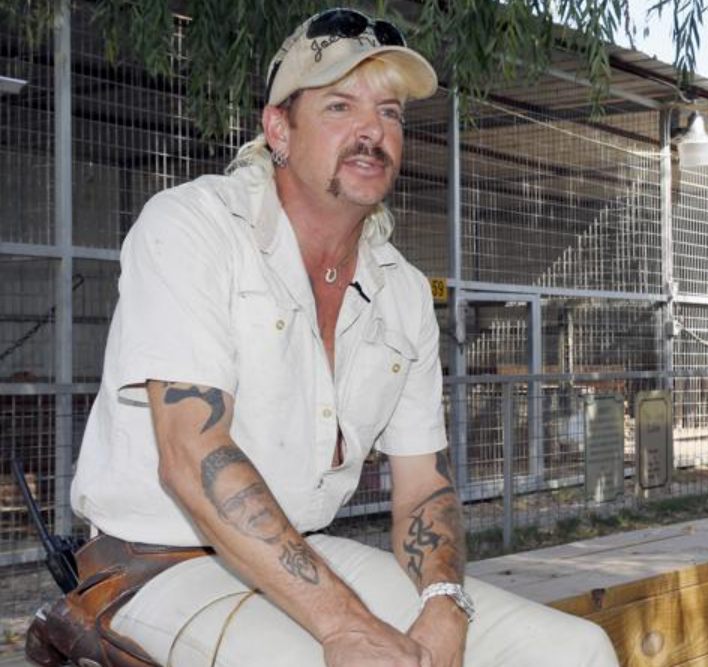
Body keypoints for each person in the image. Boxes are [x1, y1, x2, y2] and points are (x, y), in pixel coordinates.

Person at [67, 9, 619, 667]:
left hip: (305, 547)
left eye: (389, 113)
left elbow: (424, 484)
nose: (371, 130)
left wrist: (444, 599)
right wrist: (346, 624)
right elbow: (192, 454)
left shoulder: (403, 290)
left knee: (575, 648)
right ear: (279, 128)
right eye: (339, 105)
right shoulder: (193, 226)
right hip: (154, 566)